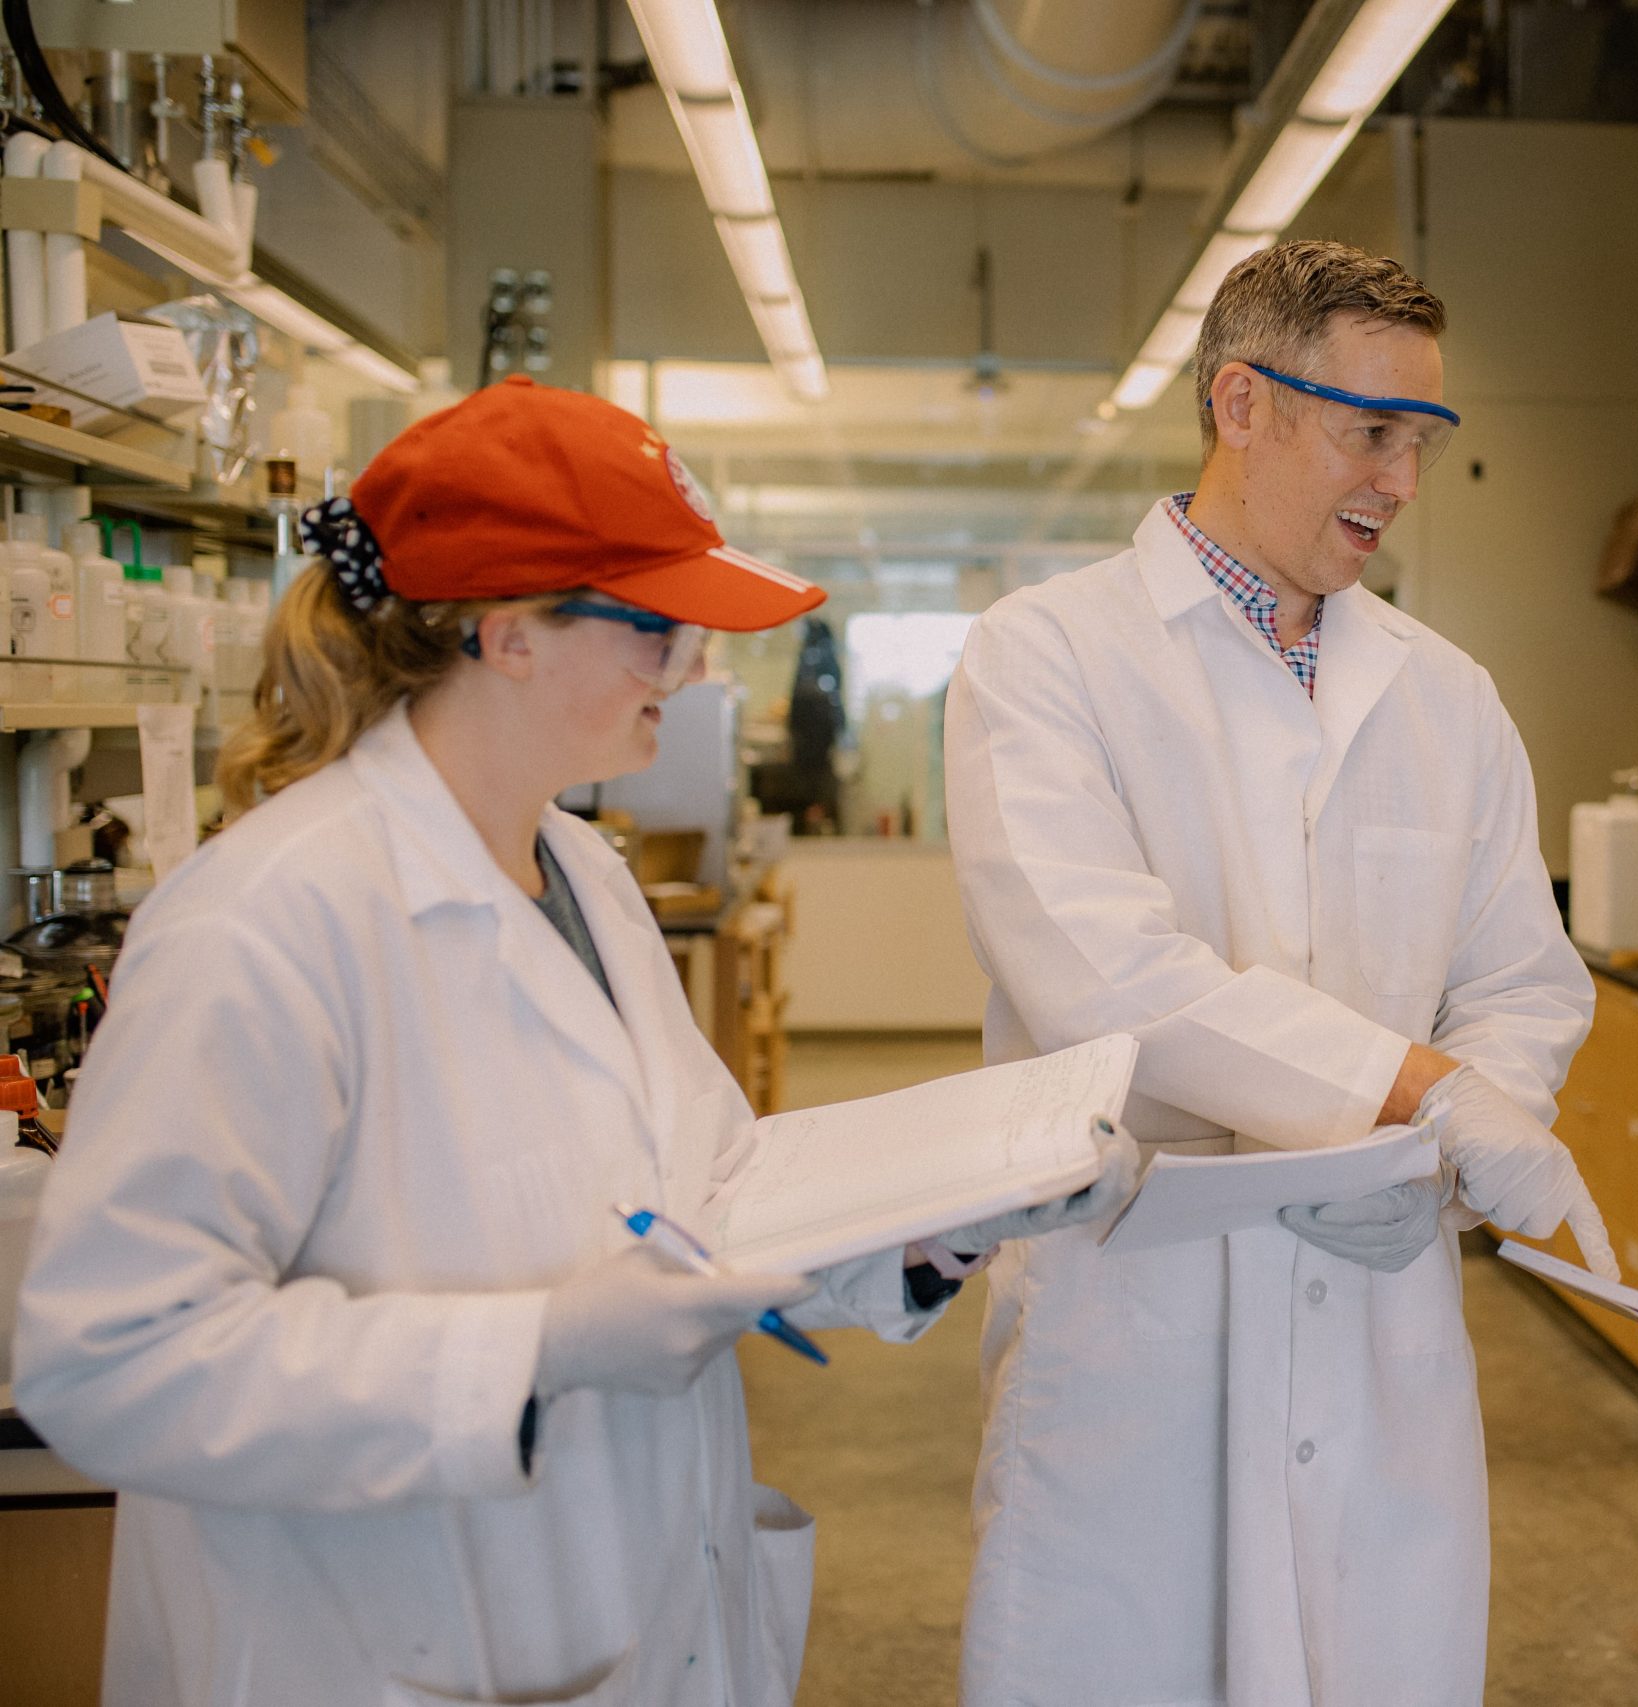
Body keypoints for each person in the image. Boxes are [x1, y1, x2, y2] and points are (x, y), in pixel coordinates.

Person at [11, 376, 1132, 1707]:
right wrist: (535, 1348)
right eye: (658, 626)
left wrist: (923, 1220)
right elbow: (109, 1363)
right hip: (375, 1640)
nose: (695, 667)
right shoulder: (266, 922)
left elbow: (710, 1190)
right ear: (508, 631)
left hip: (620, 1599)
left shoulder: (580, 873)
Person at [942, 238, 1615, 1706]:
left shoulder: (1445, 693)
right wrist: (1422, 1095)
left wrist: (1463, 1127)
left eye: (1427, 437)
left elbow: (1523, 975)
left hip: (1380, 1321)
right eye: (1373, 429)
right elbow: (1104, 973)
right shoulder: (1045, 655)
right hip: (1135, 1324)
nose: (1404, 478)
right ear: (1239, 403)